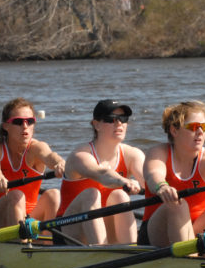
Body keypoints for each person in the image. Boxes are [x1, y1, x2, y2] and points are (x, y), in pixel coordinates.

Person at [140, 101, 205, 246]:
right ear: (174, 130)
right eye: (193, 127)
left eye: (203, 127)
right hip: (157, 233)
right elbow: (153, 174)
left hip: (193, 230)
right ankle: (190, 262)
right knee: (178, 204)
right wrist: (162, 187)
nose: (200, 132)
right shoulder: (159, 153)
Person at [56, 99, 146, 245]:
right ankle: (100, 252)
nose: (119, 124)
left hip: (105, 227)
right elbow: (102, 174)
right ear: (96, 124)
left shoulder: (133, 154)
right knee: (92, 194)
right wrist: (124, 181)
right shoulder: (80, 155)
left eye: (123, 119)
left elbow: (149, 181)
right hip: (70, 232)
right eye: (111, 119)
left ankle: (130, 252)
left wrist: (161, 187)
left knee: (120, 196)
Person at [0, 98, 66, 231]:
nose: (25, 126)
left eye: (30, 121)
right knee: (16, 195)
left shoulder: (37, 147)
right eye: (18, 122)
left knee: (54, 194)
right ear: (5, 126)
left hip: (29, 217)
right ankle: (21, 245)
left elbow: (50, 156)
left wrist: (60, 164)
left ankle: (49, 244)